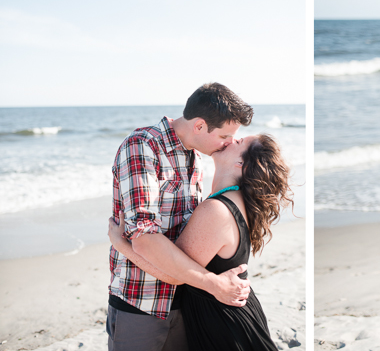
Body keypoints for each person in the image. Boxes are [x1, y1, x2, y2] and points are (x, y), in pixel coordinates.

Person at [110, 133, 293, 350]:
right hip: (226, 314)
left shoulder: (217, 209)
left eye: (240, 141)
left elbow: (172, 273)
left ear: (240, 164)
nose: (232, 138)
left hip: (224, 324)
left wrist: (121, 245)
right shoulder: (233, 199)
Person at [106, 83, 254, 351]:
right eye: (225, 136)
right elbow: (145, 237)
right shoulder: (143, 146)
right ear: (199, 126)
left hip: (186, 300)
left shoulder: (194, 155)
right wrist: (215, 285)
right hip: (143, 303)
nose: (230, 142)